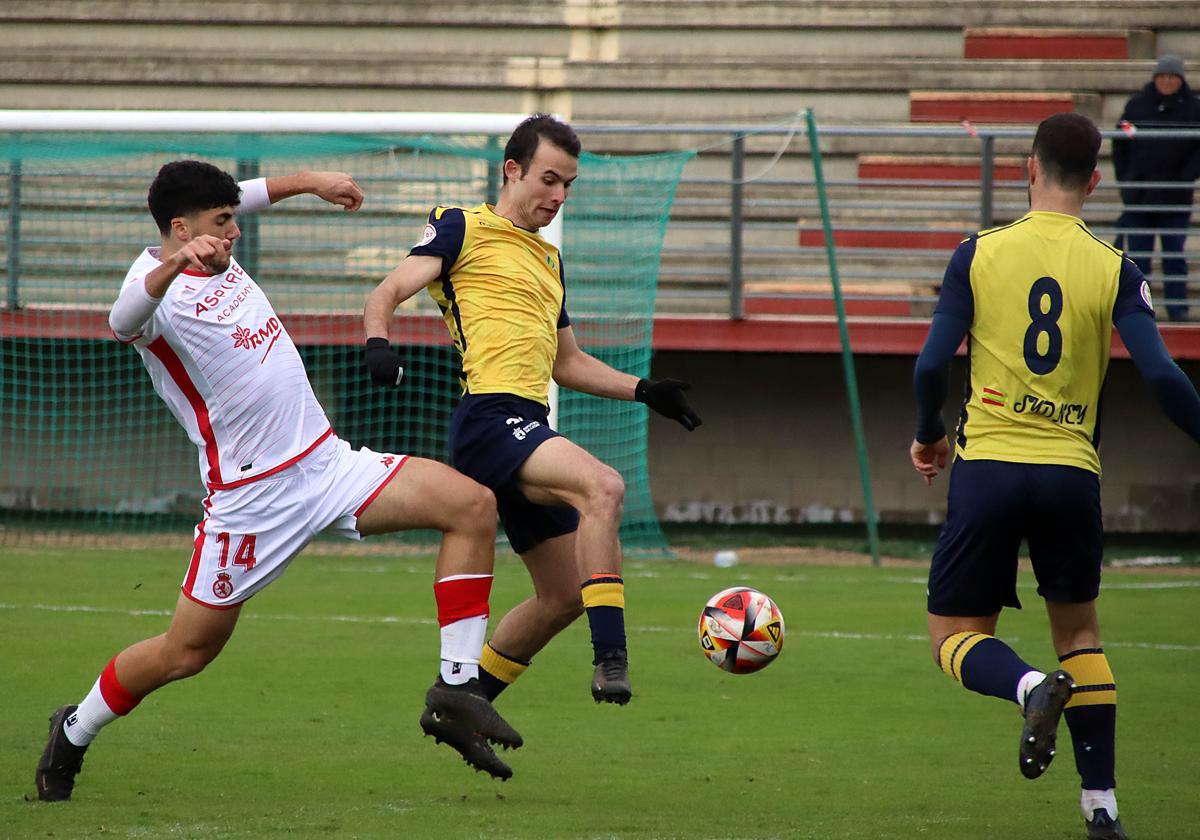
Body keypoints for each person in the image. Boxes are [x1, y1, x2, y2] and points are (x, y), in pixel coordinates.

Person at [35, 161, 524, 803]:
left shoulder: (215, 240)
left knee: (472, 505)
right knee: (187, 652)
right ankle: (73, 730)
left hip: (326, 465)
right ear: (180, 230)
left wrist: (314, 181)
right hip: (250, 503)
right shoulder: (154, 293)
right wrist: (175, 266)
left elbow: (247, 194)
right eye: (220, 223)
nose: (234, 230)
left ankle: (455, 691)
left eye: (232, 218)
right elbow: (121, 319)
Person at [910, 113, 1200, 840]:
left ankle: (1030, 687)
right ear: (1096, 182)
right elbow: (1163, 377)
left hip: (990, 467)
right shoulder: (1116, 267)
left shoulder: (978, 253)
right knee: (1081, 633)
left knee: (952, 632)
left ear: (1027, 170)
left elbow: (928, 363)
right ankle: (1101, 806)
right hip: (1072, 471)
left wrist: (927, 433)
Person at [363, 114, 701, 709]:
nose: (559, 195)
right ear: (512, 170)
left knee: (565, 595)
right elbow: (386, 291)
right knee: (603, 486)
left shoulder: (549, 261)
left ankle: (464, 704)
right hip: (490, 421)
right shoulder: (460, 226)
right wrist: (377, 340)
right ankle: (611, 657)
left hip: (528, 426)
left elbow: (567, 363)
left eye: (568, 184)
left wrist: (646, 390)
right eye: (549, 179)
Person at [1112, 54, 1200, 322]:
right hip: (1139, 198)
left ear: (1181, 79)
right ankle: (1138, 310)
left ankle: (1177, 308)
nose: (1167, 81)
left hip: (1175, 198)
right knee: (1139, 259)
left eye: (1172, 76)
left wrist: (1185, 178)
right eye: (1162, 76)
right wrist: (1126, 182)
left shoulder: (1194, 108)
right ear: (1155, 78)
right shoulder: (1136, 106)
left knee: (1174, 255)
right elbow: (1120, 144)